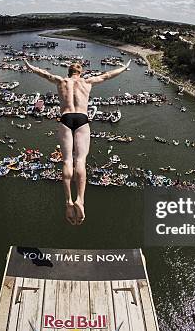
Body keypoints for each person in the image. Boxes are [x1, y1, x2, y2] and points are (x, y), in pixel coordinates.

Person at [24, 58, 131, 225]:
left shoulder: (61, 81)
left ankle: (68, 200)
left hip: (66, 118)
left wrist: (29, 66)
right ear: (80, 72)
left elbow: (43, 73)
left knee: (67, 160)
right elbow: (108, 75)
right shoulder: (87, 82)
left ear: (68, 72)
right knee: (80, 160)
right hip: (82, 118)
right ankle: (80, 200)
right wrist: (124, 67)